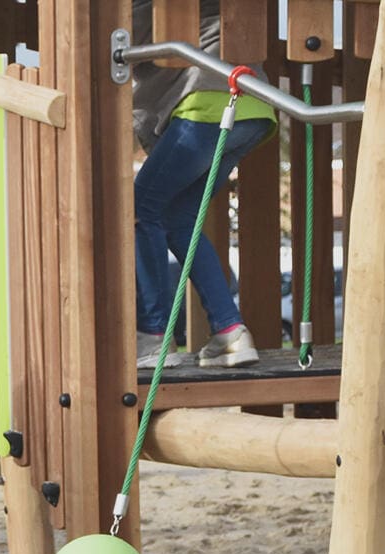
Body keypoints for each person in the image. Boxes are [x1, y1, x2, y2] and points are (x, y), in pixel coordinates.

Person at [130, 0, 275, 370]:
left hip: (209, 106)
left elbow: (120, 46)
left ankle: (151, 335)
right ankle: (230, 331)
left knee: (140, 207)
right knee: (180, 220)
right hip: (254, 109)